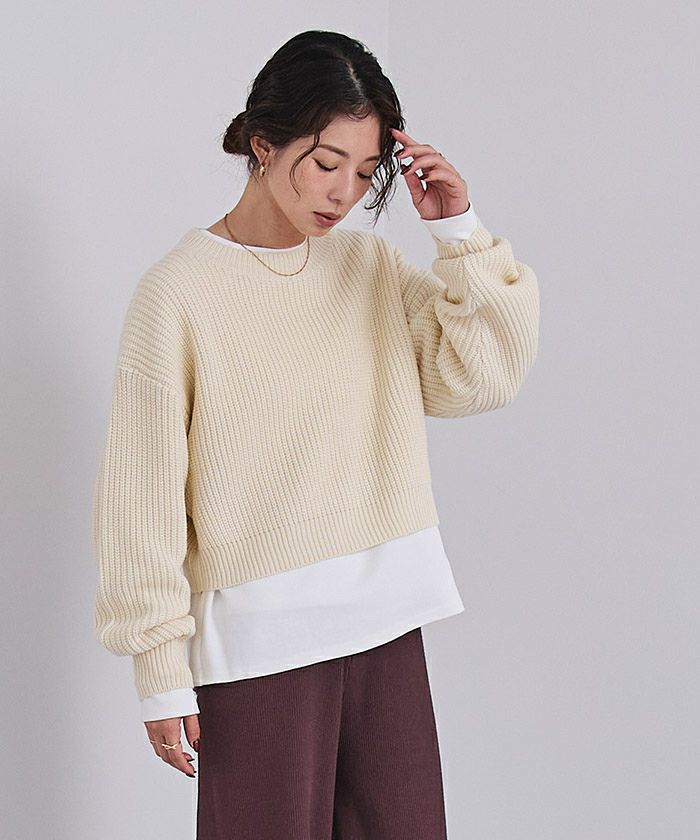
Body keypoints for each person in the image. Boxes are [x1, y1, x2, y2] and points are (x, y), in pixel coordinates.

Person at [91, 28, 539, 840]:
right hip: (258, 642)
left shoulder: (368, 269)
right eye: (327, 162)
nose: (344, 193)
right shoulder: (178, 294)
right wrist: (159, 667)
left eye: (365, 173)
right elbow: (141, 500)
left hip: (385, 618)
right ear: (264, 144)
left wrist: (460, 233)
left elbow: (482, 378)